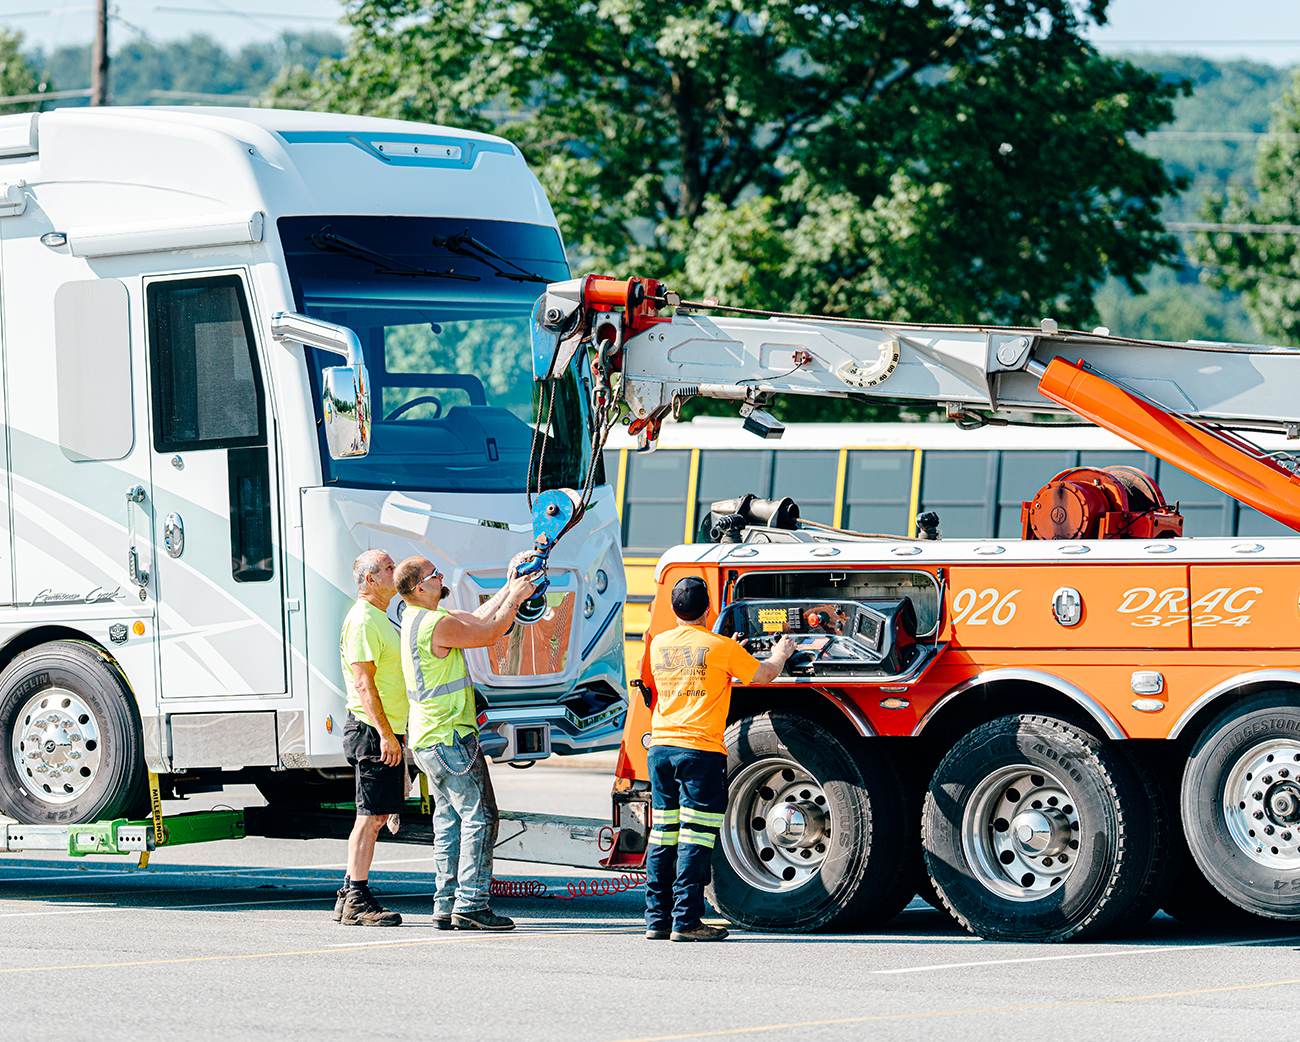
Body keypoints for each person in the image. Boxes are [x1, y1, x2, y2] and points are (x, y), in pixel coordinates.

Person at [643, 576, 795, 942]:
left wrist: (728, 651)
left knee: (663, 834)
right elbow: (764, 675)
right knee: (696, 837)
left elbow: (686, 668)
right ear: (709, 608)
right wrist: (782, 652)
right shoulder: (721, 647)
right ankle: (687, 922)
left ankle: (656, 920)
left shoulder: (659, 643)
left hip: (661, 750)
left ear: (673, 609)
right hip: (699, 752)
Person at [394, 553, 538, 931]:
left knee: (449, 822)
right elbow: (489, 633)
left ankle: (446, 903)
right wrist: (516, 599)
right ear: (420, 587)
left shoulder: (419, 618)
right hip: (449, 737)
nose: (441, 575)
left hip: (429, 739)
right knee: (481, 817)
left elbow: (475, 619)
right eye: (434, 573)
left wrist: (509, 586)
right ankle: (471, 904)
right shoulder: (435, 625)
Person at [333, 549, 408, 927]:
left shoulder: (378, 617)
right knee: (371, 815)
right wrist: (386, 735)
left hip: (380, 729)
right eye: (389, 568)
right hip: (371, 729)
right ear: (370, 580)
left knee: (374, 814)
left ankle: (349, 893)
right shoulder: (364, 620)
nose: (396, 572)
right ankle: (357, 900)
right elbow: (364, 684)